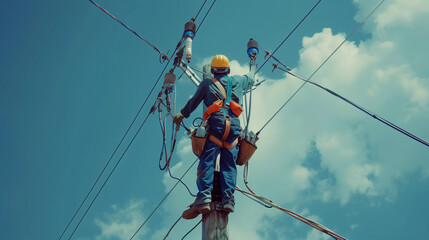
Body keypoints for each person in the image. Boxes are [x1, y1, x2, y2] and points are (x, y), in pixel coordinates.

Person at [173, 54, 254, 219]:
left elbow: (193, 102)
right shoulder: (238, 80)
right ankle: (228, 200)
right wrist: (253, 59)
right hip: (234, 127)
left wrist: (180, 115)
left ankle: (204, 197)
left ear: (212, 71)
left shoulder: (207, 83)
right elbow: (251, 77)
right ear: (228, 70)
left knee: (208, 159)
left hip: (217, 124)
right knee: (229, 164)